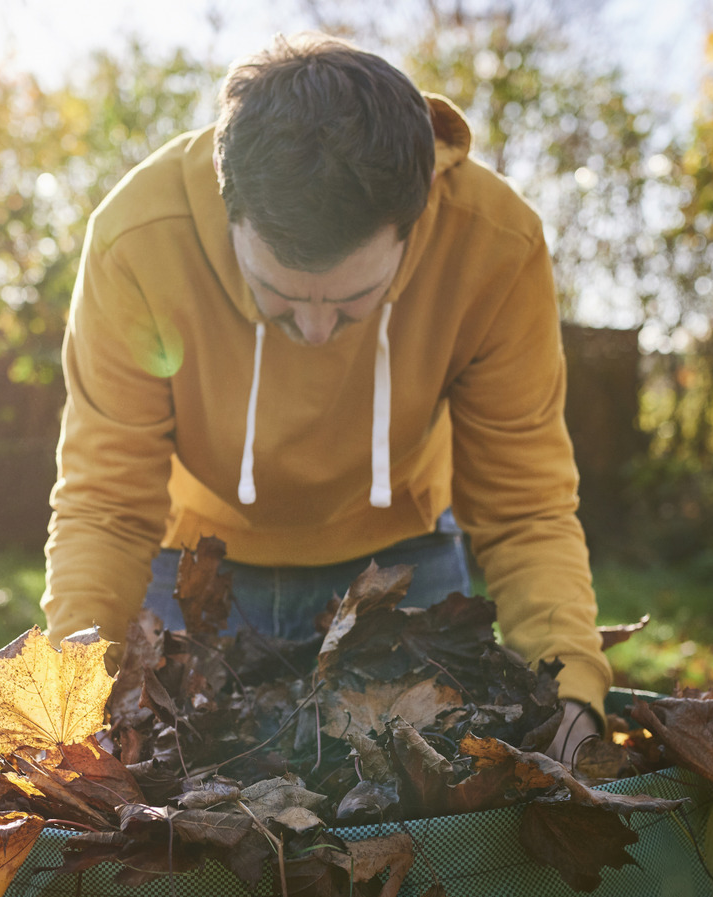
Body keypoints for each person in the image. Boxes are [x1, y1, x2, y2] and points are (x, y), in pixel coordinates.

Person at [41, 33, 609, 765]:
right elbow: (107, 503)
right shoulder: (136, 242)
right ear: (229, 209)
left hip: (402, 565)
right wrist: (71, 687)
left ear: (417, 220)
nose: (313, 330)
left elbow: (525, 505)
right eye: (278, 296)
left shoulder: (496, 244)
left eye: (352, 302)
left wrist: (569, 689)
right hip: (192, 567)